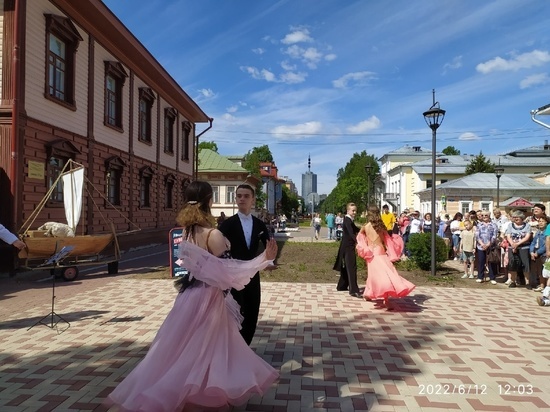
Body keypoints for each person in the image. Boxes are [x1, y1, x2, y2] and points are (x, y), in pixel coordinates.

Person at [106, 181, 279, 411]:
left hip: (189, 296)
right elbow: (228, 272)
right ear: (209, 201)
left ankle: (195, 388)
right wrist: (263, 260)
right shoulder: (212, 234)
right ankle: (201, 392)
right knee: (205, 346)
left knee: (185, 346)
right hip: (209, 298)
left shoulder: (187, 232)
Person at [219, 184, 272, 345]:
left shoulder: (259, 224)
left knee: (252, 309)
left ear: (253, 200)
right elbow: (218, 251)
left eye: (246, 196)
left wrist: (269, 261)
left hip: (252, 275)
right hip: (233, 277)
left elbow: (270, 246)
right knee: (236, 310)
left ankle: (245, 346)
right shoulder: (227, 225)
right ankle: (235, 346)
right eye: (239, 196)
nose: (242, 199)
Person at [356, 205, 415, 309]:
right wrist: (393, 251)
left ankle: (372, 294)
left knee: (374, 275)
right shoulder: (382, 227)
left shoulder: (365, 227)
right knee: (387, 274)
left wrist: (364, 248)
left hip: (370, 253)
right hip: (381, 252)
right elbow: (388, 241)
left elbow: (359, 238)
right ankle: (382, 298)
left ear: (369, 214)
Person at [334, 203, 361, 298]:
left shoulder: (349, 220)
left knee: (348, 267)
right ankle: (353, 290)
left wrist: (364, 230)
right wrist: (359, 242)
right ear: (348, 211)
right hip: (347, 248)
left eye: (355, 210)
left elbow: (356, 229)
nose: (355, 212)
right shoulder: (347, 220)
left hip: (347, 247)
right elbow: (351, 233)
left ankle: (342, 286)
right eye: (353, 210)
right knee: (352, 267)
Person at [505, 210, 532, 288]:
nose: (515, 218)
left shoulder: (527, 226)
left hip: (524, 247)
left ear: (521, 217)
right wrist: (513, 244)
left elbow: (527, 237)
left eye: (517, 217)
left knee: (525, 265)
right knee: (513, 264)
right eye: (514, 217)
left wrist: (518, 244)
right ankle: (513, 281)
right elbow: (508, 236)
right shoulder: (510, 225)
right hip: (512, 247)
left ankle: (527, 283)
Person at [474, 211, 498, 284]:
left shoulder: (493, 225)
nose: (484, 216)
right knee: (481, 261)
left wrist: (488, 244)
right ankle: (480, 277)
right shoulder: (479, 225)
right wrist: (482, 244)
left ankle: (492, 278)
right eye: (482, 215)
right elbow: (477, 235)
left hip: (491, 246)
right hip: (481, 246)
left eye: (486, 215)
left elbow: (494, 235)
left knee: (491, 262)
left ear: (489, 215)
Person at [530, 217, 548, 292]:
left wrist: (538, 252)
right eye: (539, 221)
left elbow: (545, 245)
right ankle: (541, 285)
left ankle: (546, 286)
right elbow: (533, 242)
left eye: (542, 221)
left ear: (546, 223)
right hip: (536, 252)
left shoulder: (547, 232)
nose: (540, 223)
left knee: (545, 271)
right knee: (539, 270)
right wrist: (531, 252)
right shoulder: (538, 232)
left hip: (543, 253)